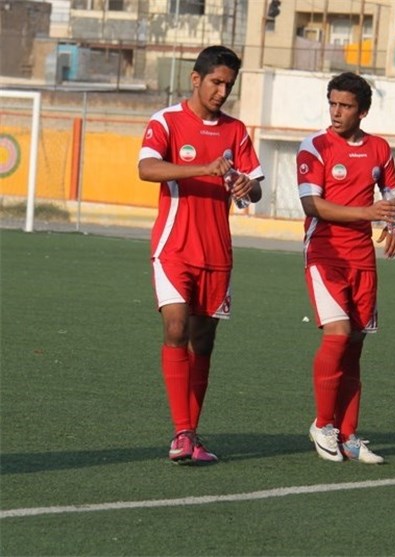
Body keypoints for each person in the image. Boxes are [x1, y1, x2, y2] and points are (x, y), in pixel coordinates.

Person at [138, 45, 264, 464]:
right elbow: (147, 169)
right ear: (196, 79)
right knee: (176, 326)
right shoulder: (167, 121)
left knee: (203, 340)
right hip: (174, 246)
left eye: (229, 84)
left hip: (217, 252)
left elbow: (256, 188)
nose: (222, 91)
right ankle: (182, 432)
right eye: (216, 82)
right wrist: (203, 168)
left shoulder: (236, 130)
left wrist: (247, 186)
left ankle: (191, 434)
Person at [297, 72, 395, 465]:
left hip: (362, 258)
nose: (336, 112)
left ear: (363, 111)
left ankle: (349, 434)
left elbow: (392, 195)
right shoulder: (315, 146)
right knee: (338, 335)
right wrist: (368, 213)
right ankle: (323, 424)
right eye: (333, 104)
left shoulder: (379, 148)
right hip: (325, 255)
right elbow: (312, 205)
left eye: (345, 106)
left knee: (355, 346)